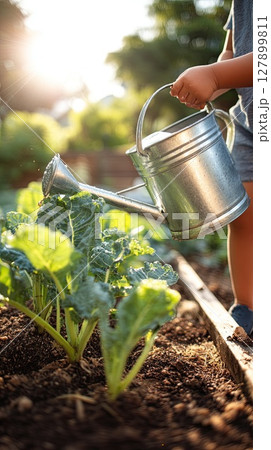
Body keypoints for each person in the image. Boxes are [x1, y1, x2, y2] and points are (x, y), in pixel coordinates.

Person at [170, 0, 253, 335]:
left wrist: (216, 75)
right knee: (245, 215)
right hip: (250, 120)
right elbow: (231, 51)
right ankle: (249, 308)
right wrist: (215, 81)